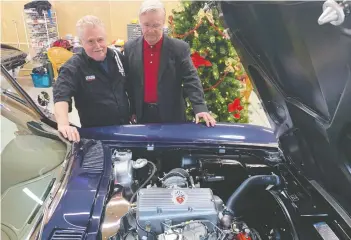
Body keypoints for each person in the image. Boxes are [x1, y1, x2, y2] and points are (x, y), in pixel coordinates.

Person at [124, 0, 216, 127]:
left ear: (163, 23)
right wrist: (132, 110)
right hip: (142, 115)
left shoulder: (179, 48)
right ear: (140, 23)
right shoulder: (130, 48)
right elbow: (129, 83)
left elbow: (191, 78)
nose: (150, 30)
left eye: (156, 25)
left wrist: (200, 108)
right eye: (146, 25)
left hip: (172, 116)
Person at [53, 15, 133, 142]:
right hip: (96, 136)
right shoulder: (74, 67)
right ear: (81, 42)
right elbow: (61, 95)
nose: (97, 46)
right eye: (90, 41)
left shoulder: (117, 57)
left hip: (125, 129)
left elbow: (130, 86)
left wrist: (133, 111)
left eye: (100, 39)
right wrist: (63, 124)